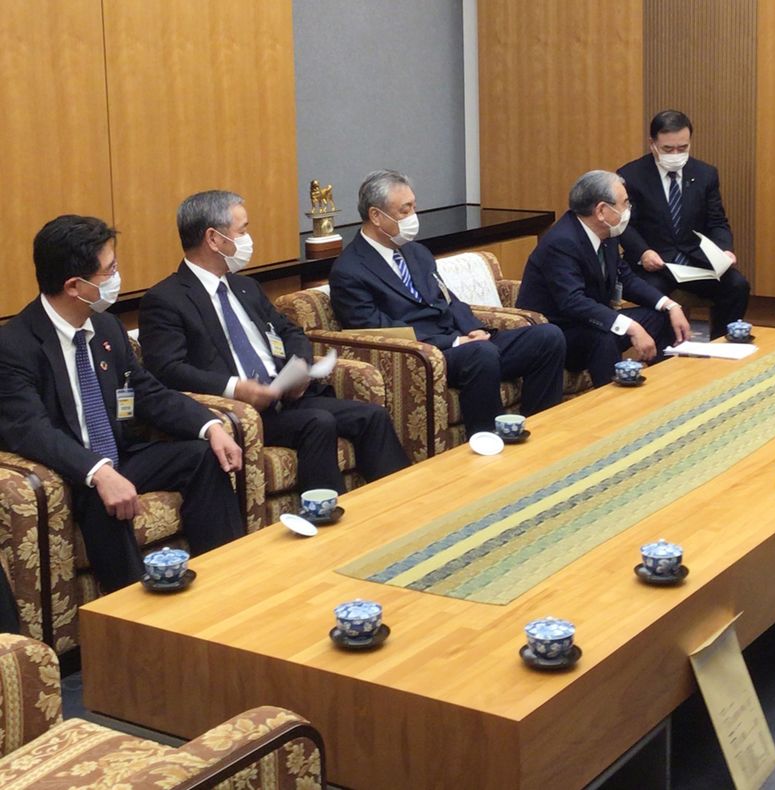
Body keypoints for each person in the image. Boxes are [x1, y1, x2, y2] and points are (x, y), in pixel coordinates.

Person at [0, 215, 245, 592]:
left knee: (202, 456)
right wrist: (98, 471)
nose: (117, 277)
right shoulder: (15, 345)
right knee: (103, 498)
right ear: (74, 286)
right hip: (71, 473)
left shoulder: (106, 327)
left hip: (121, 454)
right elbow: (30, 430)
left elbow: (147, 393)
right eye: (109, 270)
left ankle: (227, 578)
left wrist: (210, 426)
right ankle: (131, 609)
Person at [139, 190, 411, 494]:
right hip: (241, 413)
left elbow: (290, 331)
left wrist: (299, 367)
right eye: (242, 230)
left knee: (372, 416)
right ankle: (322, 515)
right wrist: (235, 388)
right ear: (214, 239)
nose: (248, 239)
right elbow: (168, 370)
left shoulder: (245, 287)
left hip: (287, 397)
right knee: (317, 422)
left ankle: (401, 502)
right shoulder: (166, 300)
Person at [330, 170, 566, 437]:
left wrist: (474, 329)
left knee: (548, 337)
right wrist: (454, 342)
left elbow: (449, 299)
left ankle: (542, 430)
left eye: (414, 207)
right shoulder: (349, 270)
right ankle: (489, 441)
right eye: (405, 210)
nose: (413, 217)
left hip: (461, 341)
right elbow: (378, 330)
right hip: (424, 355)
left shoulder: (416, 252)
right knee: (481, 354)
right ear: (376, 215)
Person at [516, 170, 692, 387]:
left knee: (659, 316)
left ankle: (667, 386)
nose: (628, 210)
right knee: (604, 337)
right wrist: (632, 327)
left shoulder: (607, 235)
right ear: (601, 211)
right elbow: (573, 302)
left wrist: (670, 305)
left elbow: (626, 279)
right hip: (560, 332)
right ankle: (612, 401)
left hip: (591, 321)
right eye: (625, 203)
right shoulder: (561, 242)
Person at [616, 110, 750, 339]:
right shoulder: (631, 176)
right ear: (652, 144)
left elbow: (717, 221)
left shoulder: (705, 174)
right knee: (654, 294)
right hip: (654, 263)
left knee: (737, 285)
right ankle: (665, 352)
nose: (676, 154)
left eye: (683, 148)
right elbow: (624, 225)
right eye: (668, 149)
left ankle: (721, 345)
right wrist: (643, 252)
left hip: (694, 261)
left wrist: (724, 250)